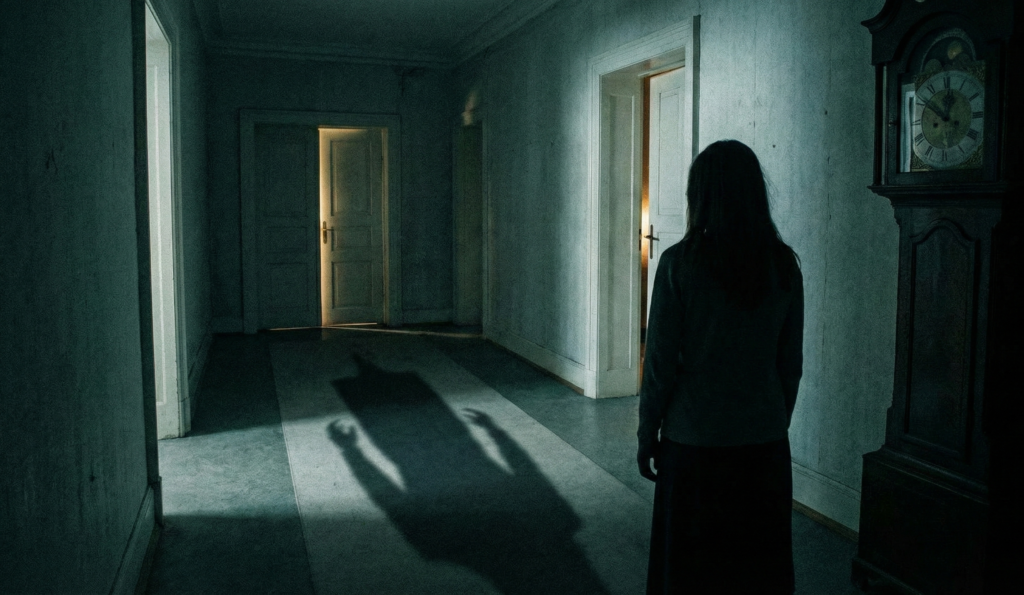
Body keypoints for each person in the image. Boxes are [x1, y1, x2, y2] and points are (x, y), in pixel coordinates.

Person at [637, 140, 804, 594]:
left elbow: (660, 365)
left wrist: (647, 433)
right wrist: (772, 419)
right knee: (755, 569)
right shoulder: (783, 265)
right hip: (763, 442)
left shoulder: (679, 264)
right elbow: (790, 364)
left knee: (692, 571)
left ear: (700, 195)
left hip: (693, 442)